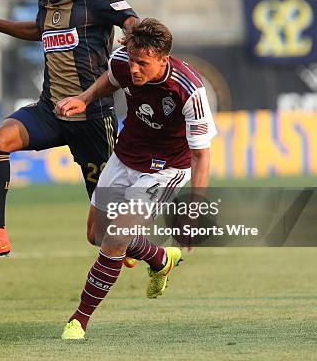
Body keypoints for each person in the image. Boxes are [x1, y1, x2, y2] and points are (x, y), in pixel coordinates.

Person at [0, 0, 139, 261]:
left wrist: (133, 35)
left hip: (92, 117)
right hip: (51, 111)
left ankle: (157, 256)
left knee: (106, 232)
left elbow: (130, 20)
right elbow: (38, 29)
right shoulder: (46, 2)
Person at [54, 18, 217, 339]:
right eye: (132, 60)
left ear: (163, 60)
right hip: (126, 155)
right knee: (96, 235)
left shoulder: (189, 91)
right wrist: (84, 99)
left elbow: (201, 156)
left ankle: (79, 320)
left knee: (116, 237)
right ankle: (160, 258)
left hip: (166, 168)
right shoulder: (124, 62)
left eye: (143, 63)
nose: (135, 69)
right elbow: (110, 79)